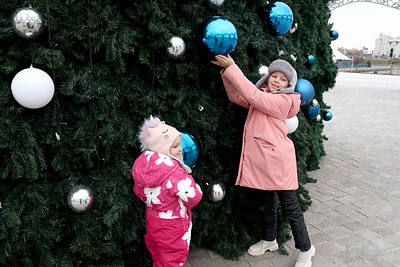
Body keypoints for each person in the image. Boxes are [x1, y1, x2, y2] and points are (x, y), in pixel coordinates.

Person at [211, 55, 315, 267]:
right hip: (265, 160)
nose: (276, 80)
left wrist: (233, 68)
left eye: (282, 79)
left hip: (279, 161)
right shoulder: (264, 95)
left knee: (290, 206)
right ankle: (269, 240)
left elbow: (252, 95)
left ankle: (306, 248)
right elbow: (238, 97)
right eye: (273, 75)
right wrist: (226, 74)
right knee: (268, 202)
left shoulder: (283, 101)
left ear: (289, 85)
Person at [132, 115, 203, 267]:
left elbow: (138, 191)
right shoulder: (174, 172)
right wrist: (196, 187)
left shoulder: (144, 166)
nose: (181, 149)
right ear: (164, 149)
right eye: (176, 146)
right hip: (173, 225)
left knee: (158, 251)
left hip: (153, 220)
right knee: (173, 257)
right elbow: (194, 197)